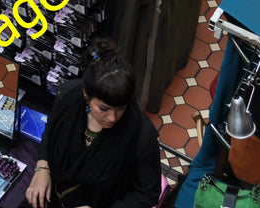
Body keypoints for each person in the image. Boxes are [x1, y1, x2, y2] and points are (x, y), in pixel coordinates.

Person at [26, 38, 160, 208]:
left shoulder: (142, 135)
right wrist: (42, 166)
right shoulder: (68, 96)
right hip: (54, 194)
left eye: (120, 108)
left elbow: (148, 194)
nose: (112, 117)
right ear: (86, 95)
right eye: (103, 108)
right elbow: (51, 129)